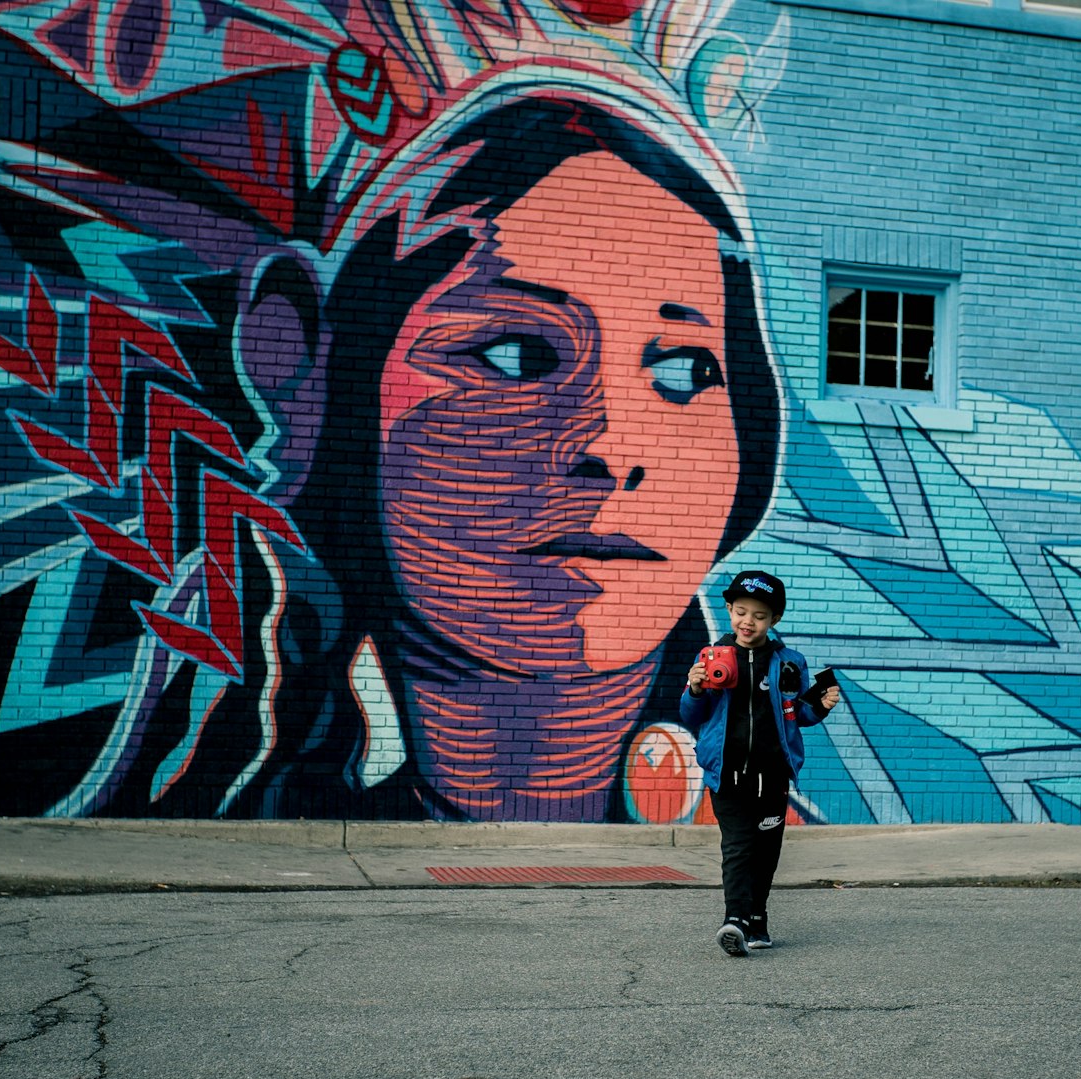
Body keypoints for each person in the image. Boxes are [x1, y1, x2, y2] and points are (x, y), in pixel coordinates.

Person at [147, 92, 783, 821]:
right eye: (513, 355)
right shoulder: (237, 804)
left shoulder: (749, 833)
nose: (611, 447)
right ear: (310, 372)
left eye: (683, 372)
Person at [679, 570, 842, 956]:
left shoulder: (789, 663)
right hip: (728, 775)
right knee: (738, 848)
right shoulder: (711, 657)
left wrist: (821, 706)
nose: (747, 621)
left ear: (774, 620)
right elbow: (691, 715)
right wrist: (696, 687)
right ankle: (734, 919)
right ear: (729, 611)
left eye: (759, 615)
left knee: (766, 853)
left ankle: (757, 918)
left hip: (772, 777)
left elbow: (796, 715)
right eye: (740, 611)